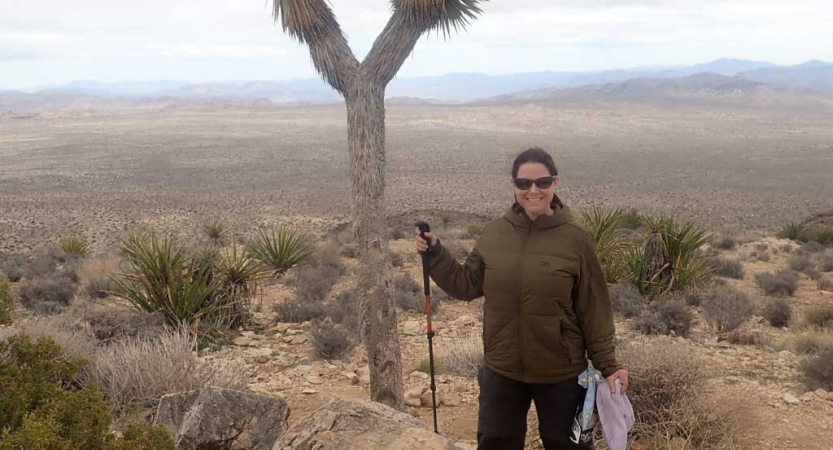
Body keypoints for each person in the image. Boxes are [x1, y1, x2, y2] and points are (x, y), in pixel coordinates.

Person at [415, 147, 628, 450]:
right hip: (502, 369)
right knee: (496, 443)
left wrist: (608, 365)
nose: (533, 190)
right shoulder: (495, 233)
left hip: (560, 372)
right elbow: (467, 285)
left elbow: (593, 308)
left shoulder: (576, 239)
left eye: (542, 182)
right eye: (523, 183)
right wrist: (436, 253)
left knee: (567, 445)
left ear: (555, 182)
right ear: (513, 185)